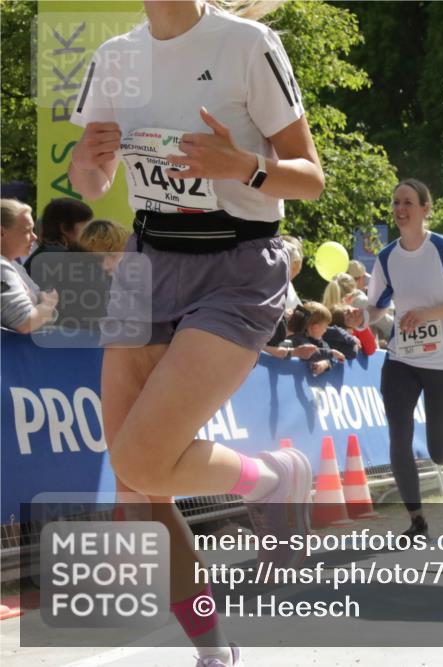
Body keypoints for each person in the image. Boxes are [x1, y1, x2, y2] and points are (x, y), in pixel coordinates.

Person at [68, 2, 324, 665]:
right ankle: (215, 648)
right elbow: (91, 178)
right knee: (137, 493)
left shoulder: (248, 44)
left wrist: (244, 167)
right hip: (147, 263)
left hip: (237, 264)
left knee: (141, 460)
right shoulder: (116, 56)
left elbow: (311, 177)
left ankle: (274, 477)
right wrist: (90, 165)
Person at [366, 179, 443, 538]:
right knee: (399, 437)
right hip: (401, 360)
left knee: (438, 451)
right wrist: (360, 316)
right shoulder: (387, 257)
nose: (400, 209)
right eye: (396, 202)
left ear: (425, 208)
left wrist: (428, 314)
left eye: (408, 203)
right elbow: (375, 307)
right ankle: (417, 520)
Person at [1, 199, 59, 333]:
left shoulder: (14, 265)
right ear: (1, 233)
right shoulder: (2, 267)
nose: (34, 237)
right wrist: (48, 305)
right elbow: (25, 323)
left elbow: (39, 303)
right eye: (27, 231)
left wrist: (45, 308)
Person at [23, 197, 93, 274]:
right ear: (65, 228)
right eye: (86, 228)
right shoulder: (55, 258)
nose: (92, 233)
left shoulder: (48, 254)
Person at [286, 301, 346, 374]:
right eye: (325, 327)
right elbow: (310, 353)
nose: (325, 331)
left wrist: (325, 363)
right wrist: (331, 353)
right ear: (315, 327)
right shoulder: (296, 338)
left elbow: (329, 353)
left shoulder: (319, 341)